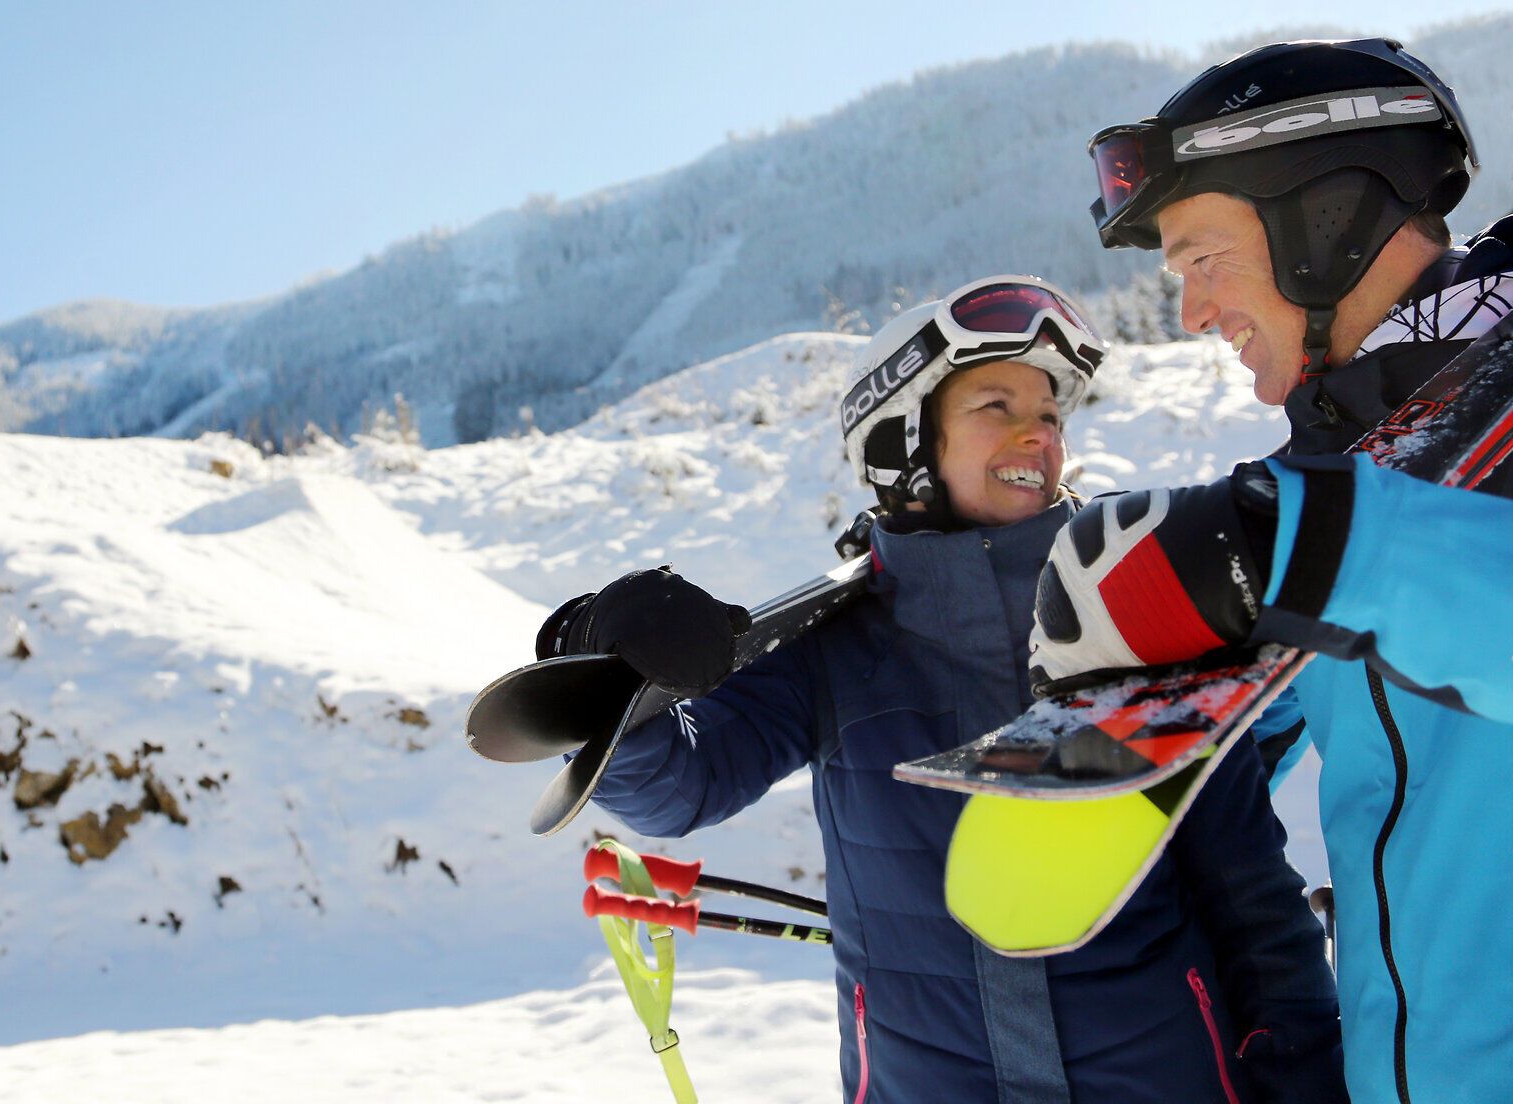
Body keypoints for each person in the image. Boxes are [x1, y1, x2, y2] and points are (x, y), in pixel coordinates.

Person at [538, 276, 1344, 1103]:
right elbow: (676, 788)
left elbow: (1250, 892)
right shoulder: (834, 649)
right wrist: (611, 663)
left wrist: (1303, 1070)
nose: (1039, 433)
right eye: (997, 405)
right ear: (903, 442)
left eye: (1051, 414)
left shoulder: (1137, 612)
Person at [1030, 37, 1513, 1104]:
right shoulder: (1350, 474)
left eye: (1203, 259)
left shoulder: (1362, 503)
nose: (1193, 312)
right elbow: (1258, 738)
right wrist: (1132, 748)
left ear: (1327, 221)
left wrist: (1288, 546)